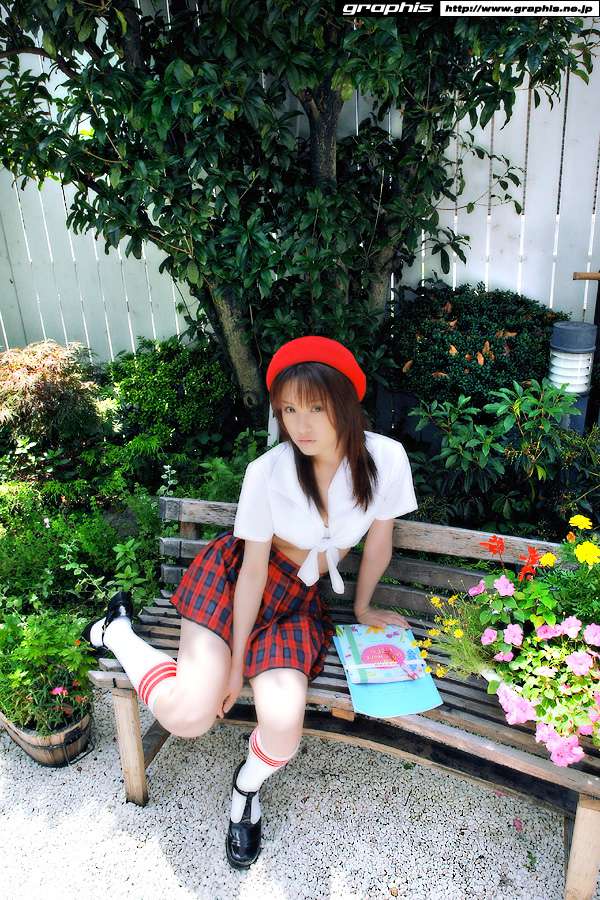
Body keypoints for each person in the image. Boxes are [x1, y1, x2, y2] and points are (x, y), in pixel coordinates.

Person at [82, 335, 418, 870]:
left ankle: (245, 791)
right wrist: (236, 665)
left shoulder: (385, 459)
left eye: (315, 407)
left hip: (296, 600)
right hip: (236, 579)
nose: (301, 424)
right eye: (288, 409)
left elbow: (380, 540)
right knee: (189, 716)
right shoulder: (268, 472)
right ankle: (118, 631)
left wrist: (361, 609)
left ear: (346, 402)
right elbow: (253, 571)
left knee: (282, 727)